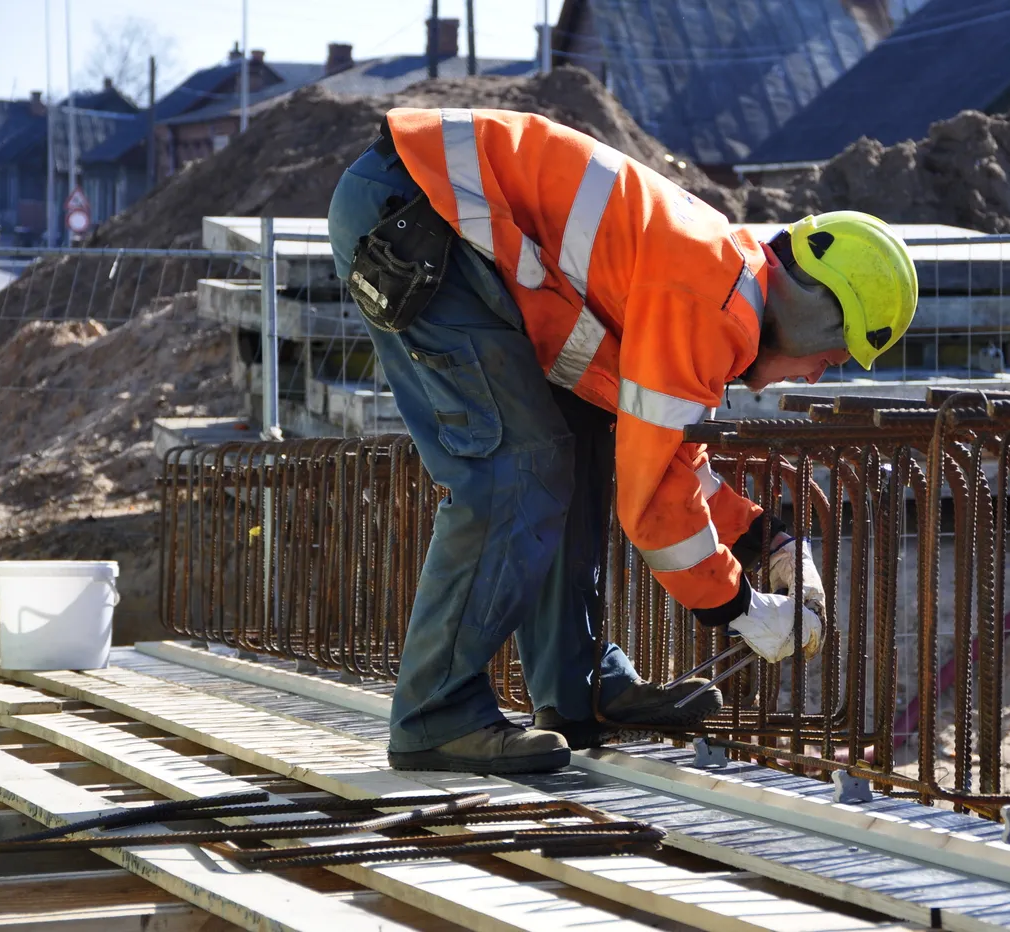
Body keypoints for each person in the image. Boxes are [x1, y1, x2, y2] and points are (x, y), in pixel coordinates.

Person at [326, 107, 916, 774]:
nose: (816, 373)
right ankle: (436, 716)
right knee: (515, 467)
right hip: (420, 211)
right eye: (832, 356)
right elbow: (654, 503)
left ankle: (579, 692)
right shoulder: (712, 301)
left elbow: (663, 454)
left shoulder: (721, 282)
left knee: (574, 453)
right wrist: (741, 607)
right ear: (815, 315)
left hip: (441, 211)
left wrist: (764, 539)